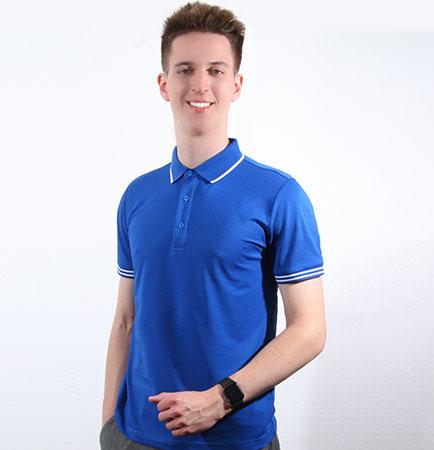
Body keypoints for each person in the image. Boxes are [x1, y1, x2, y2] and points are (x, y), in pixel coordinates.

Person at [100, 2, 326, 449]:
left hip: (236, 440)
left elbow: (310, 330)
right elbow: (126, 319)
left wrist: (221, 399)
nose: (200, 84)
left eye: (216, 70)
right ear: (164, 84)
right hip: (135, 437)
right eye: (185, 69)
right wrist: (109, 425)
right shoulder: (137, 196)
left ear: (236, 84)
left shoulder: (279, 195)